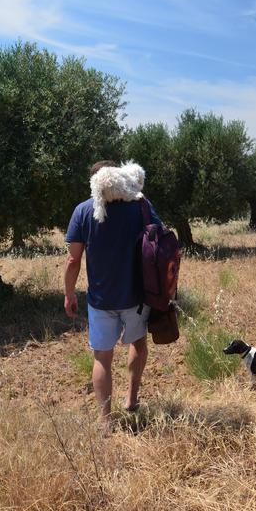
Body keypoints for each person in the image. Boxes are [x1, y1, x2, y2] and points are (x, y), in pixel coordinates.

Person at [63, 160, 162, 426]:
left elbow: (73, 260)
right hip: (137, 297)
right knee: (138, 344)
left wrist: (69, 294)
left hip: (100, 300)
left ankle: (105, 421)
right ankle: (131, 399)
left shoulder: (83, 211)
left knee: (102, 358)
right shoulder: (141, 205)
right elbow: (161, 240)